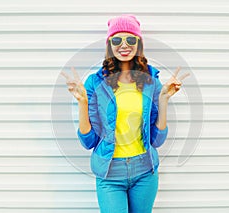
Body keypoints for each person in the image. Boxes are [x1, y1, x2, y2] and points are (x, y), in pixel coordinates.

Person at [61, 14, 189, 213]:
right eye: (117, 40)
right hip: (110, 173)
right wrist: (82, 103)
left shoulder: (150, 82)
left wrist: (163, 99)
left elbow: (157, 140)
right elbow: (88, 142)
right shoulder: (95, 84)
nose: (124, 45)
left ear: (138, 43)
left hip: (145, 171)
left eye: (130, 39)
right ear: (109, 44)